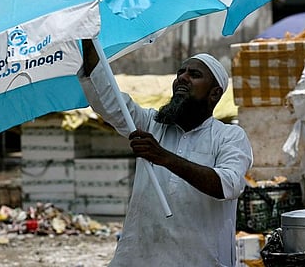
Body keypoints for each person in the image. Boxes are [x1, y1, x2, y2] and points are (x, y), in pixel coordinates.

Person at [79, 40, 253, 267]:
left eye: (194, 74)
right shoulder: (150, 124)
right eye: (180, 72)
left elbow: (227, 185)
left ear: (215, 93)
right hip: (138, 259)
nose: (182, 77)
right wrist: (88, 37)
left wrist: (165, 158)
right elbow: (107, 98)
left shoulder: (229, 136)